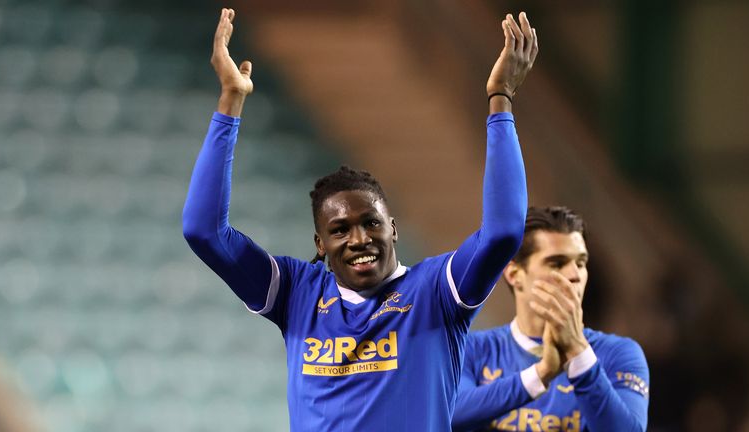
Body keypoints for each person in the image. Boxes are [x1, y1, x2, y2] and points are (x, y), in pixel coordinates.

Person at [183, 8, 537, 431]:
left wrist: (501, 99)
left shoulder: (436, 292)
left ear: (393, 228)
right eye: (339, 230)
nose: (359, 239)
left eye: (371, 223)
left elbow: (503, 232)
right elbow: (204, 232)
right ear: (320, 245)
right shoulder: (297, 294)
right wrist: (230, 101)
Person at [452, 206, 650, 431]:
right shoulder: (471, 350)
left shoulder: (618, 353)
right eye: (556, 263)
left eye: (581, 263)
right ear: (515, 274)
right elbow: (449, 415)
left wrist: (579, 354)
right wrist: (541, 373)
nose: (574, 275)